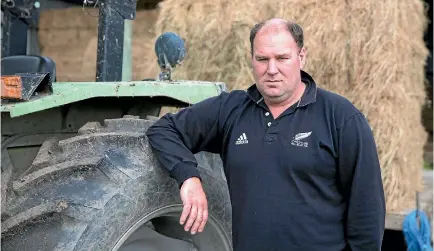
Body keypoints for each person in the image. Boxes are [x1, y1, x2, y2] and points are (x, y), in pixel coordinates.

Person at [146, 18, 386, 251]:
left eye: (282, 58)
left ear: (301, 57)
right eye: (262, 59)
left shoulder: (341, 117)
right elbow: (164, 130)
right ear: (252, 59)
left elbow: (367, 208)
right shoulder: (231, 110)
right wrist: (189, 178)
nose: (272, 70)